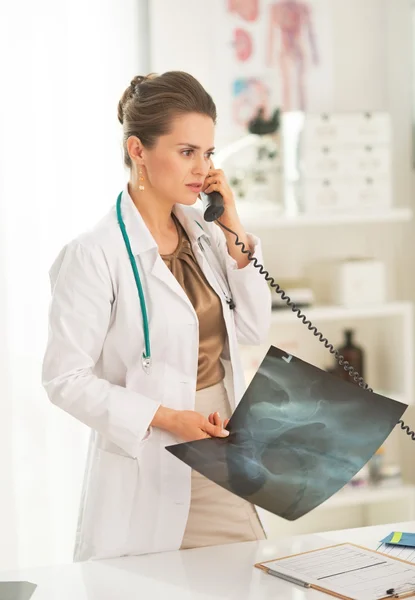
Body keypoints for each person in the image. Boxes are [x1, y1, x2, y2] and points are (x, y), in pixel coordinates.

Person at [42, 71, 272, 562]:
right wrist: (168, 418)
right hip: (151, 458)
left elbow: (253, 329)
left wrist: (233, 227)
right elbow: (64, 379)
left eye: (208, 154)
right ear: (138, 150)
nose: (201, 169)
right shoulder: (93, 254)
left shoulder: (207, 236)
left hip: (222, 450)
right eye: (187, 151)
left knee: (250, 581)